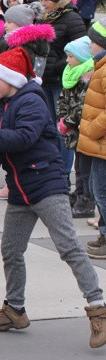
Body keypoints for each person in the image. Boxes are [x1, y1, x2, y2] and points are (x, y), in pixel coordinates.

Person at [0, 47, 106, 349]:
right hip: (21, 189)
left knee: (68, 247)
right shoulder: (1, 105)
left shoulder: (31, 101)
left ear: (11, 78)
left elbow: (23, 138)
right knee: (11, 250)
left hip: (46, 185)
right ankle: (15, 309)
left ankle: (99, 309)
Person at [0, 2, 53, 200]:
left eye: (9, 22)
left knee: (16, 133)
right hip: (22, 92)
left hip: (20, 93)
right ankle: (12, 182)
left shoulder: (24, 45)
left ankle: (12, 183)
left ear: (20, 24)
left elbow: (25, 71)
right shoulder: (24, 42)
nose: (6, 25)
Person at [39, 0, 88, 179]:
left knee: (63, 129)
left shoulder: (72, 18)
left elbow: (82, 51)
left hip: (63, 81)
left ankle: (63, 173)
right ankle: (54, 168)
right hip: (46, 80)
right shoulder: (45, 17)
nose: (43, 3)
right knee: (50, 127)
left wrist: (59, 67)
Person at [57, 36, 96, 218]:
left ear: (81, 57)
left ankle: (86, 199)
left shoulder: (86, 77)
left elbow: (83, 105)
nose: (67, 60)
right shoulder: (70, 74)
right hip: (74, 130)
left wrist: (68, 121)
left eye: (71, 57)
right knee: (78, 165)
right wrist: (62, 117)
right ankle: (79, 192)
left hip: (85, 130)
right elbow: (63, 99)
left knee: (86, 168)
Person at [79, 21, 106, 259]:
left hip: (102, 142)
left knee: (102, 192)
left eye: (93, 42)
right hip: (100, 144)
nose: (90, 46)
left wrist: (92, 131)